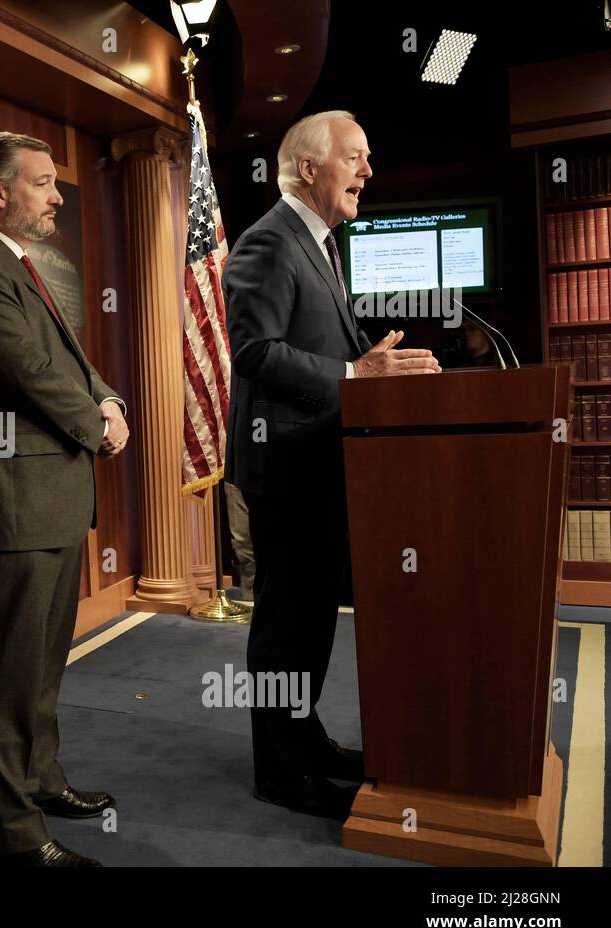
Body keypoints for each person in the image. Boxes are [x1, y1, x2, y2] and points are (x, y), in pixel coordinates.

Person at [223, 110, 440, 821]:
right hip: (285, 468)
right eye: (357, 157)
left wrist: (372, 368)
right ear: (309, 168)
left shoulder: (316, 243)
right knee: (287, 624)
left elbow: (327, 356)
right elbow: (255, 351)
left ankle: (303, 741)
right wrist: (354, 371)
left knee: (312, 621)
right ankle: (280, 772)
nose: (369, 172)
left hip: (317, 466)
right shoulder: (268, 242)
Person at [0, 132, 127, 866]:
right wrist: (97, 425)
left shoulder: (19, 265)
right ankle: (15, 836)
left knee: (42, 666)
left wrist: (107, 399)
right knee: (6, 678)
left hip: (50, 502)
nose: (57, 196)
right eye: (44, 183)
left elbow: (70, 360)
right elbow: (30, 371)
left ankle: (42, 783)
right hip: (9, 508)